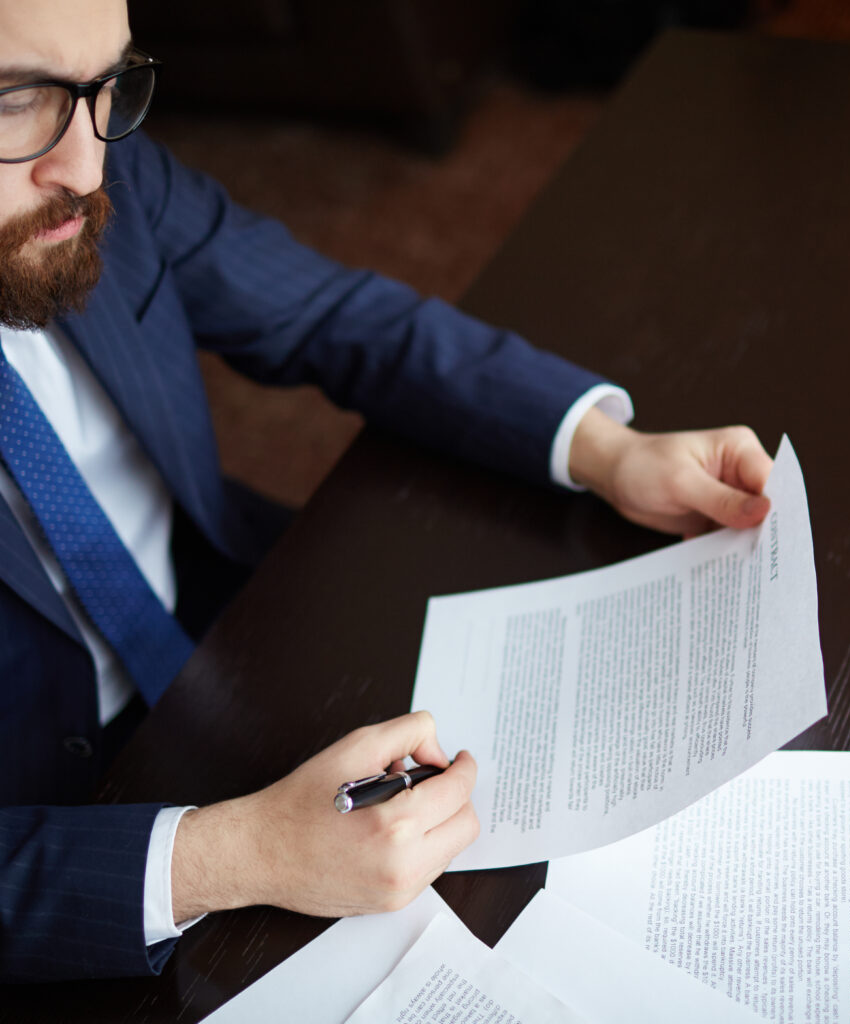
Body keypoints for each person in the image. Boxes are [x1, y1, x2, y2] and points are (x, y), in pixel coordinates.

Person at [0, 0, 774, 983]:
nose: (86, 167)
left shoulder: (103, 167)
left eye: (106, 85)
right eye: (18, 101)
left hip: (228, 622)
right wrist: (236, 859)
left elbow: (330, 313)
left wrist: (603, 448)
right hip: (60, 834)